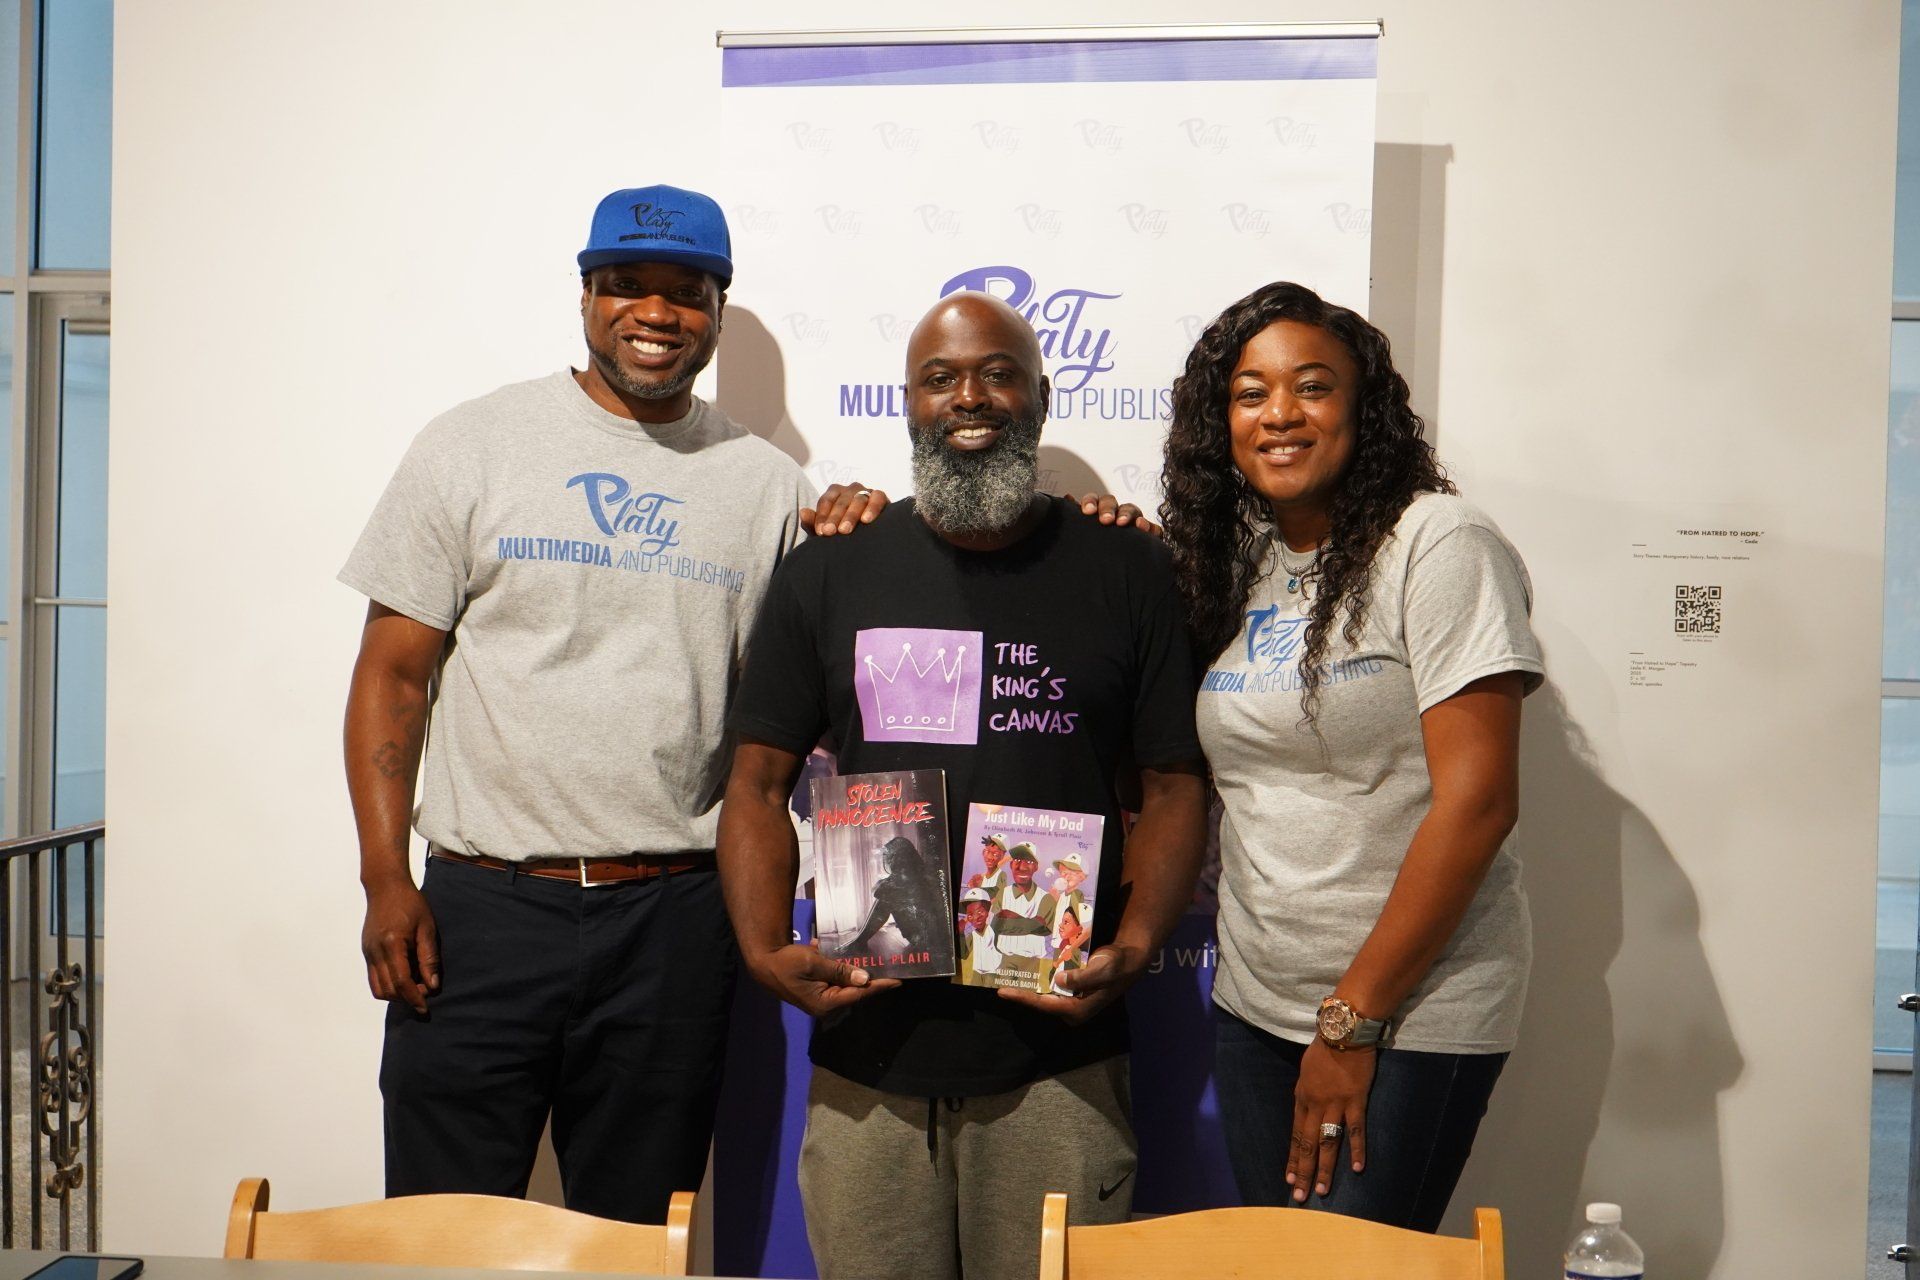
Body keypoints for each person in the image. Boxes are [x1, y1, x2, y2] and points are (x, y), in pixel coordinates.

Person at [338, 183, 892, 1224]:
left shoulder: (767, 485)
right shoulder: (473, 443)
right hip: (480, 913)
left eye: (686, 292)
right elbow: (392, 675)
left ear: (717, 311)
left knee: (637, 1236)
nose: (655, 312)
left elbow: (807, 705)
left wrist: (857, 530)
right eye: (627, 284)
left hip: (673, 920)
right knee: (439, 1232)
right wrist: (383, 877)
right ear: (587, 295)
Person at [716, 292, 1207, 1280]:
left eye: (998, 372)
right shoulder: (830, 569)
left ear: (1041, 397)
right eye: (940, 378)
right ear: (908, 404)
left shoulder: (1128, 567)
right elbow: (757, 784)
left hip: (1059, 1062)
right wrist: (766, 949)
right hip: (867, 1056)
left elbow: (1173, 783)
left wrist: (1140, 940)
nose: (969, 396)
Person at [1161, 281, 1545, 1232]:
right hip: (1255, 1007)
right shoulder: (1238, 564)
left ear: (1362, 407)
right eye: (1250, 393)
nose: (1280, 414)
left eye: (1312, 386)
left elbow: (1479, 803)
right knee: (1282, 1261)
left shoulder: (1439, 542)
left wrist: (1352, 1020)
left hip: (1407, 1013)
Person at [830, 834, 947, 962]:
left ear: (898, 859)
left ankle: (859, 941)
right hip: (932, 939)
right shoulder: (923, 875)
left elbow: (880, 890)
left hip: (929, 943)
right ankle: (859, 941)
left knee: (886, 897)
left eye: (890, 858)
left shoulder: (904, 883)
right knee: (887, 895)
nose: (888, 861)